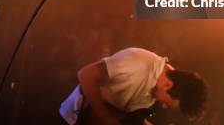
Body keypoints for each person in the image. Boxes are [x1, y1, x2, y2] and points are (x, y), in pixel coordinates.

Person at [60, 48, 207, 125]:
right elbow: (86, 75)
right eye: (167, 104)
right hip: (74, 118)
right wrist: (106, 118)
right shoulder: (137, 62)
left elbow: (127, 116)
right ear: (169, 85)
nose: (163, 107)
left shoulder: (158, 88)